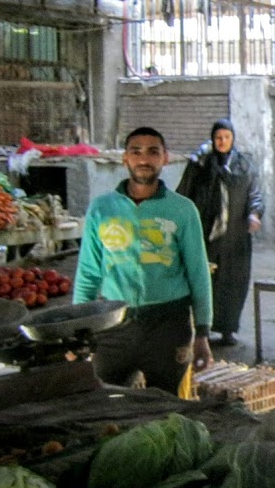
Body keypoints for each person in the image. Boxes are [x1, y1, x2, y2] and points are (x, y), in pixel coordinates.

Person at [73, 126, 214, 394]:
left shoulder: (182, 210)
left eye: (153, 152)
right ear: (125, 159)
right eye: (136, 152)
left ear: (165, 158)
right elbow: (89, 273)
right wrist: (79, 331)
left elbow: (198, 273)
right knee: (107, 404)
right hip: (112, 326)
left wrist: (203, 332)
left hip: (169, 325)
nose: (144, 159)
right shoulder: (102, 209)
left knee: (167, 407)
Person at [176, 118, 264, 347]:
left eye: (227, 137)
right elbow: (184, 193)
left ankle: (227, 329)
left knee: (233, 283)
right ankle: (200, 329)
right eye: (218, 138)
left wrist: (254, 213)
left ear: (233, 139)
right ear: (212, 139)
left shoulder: (244, 164)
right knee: (203, 281)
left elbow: (254, 193)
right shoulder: (201, 164)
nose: (222, 142)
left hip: (235, 236)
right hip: (205, 234)